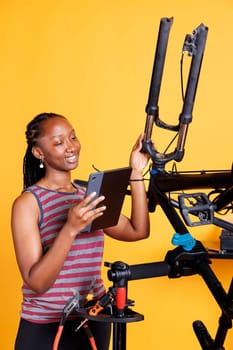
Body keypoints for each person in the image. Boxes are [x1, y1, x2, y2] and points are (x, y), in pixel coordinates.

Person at [11, 112, 150, 350]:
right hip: (44, 327)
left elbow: (138, 230)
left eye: (73, 137)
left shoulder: (89, 194)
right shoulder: (28, 203)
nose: (70, 146)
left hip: (93, 319)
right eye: (58, 142)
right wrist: (70, 228)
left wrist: (136, 174)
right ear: (38, 152)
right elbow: (37, 283)